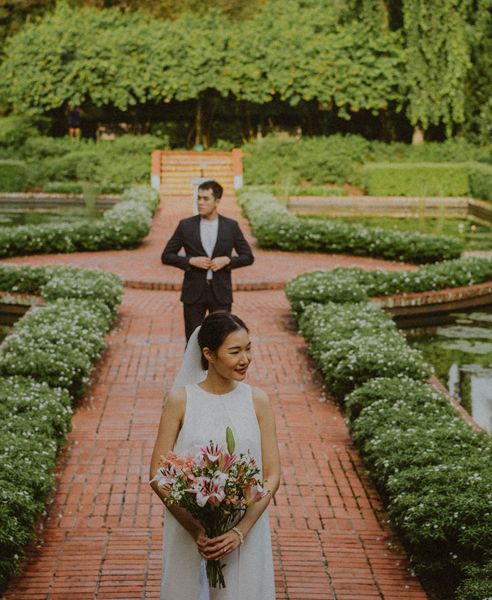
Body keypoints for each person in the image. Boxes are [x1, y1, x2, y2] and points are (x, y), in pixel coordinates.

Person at [150, 312, 280, 600]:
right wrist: (196, 530)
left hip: (246, 528)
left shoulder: (257, 401)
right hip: (190, 531)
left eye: (248, 348)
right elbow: (157, 475)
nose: (245, 359)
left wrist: (240, 532)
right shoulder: (180, 401)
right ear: (208, 354)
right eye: (234, 351)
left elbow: (272, 475)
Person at [161, 180, 254, 341]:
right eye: (198, 198)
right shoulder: (186, 225)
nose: (200, 202)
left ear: (217, 201)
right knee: (192, 342)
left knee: (222, 340)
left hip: (221, 293)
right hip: (193, 292)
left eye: (205, 198)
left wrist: (227, 260)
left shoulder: (231, 226)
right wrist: (190, 261)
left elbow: (248, 257)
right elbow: (167, 255)